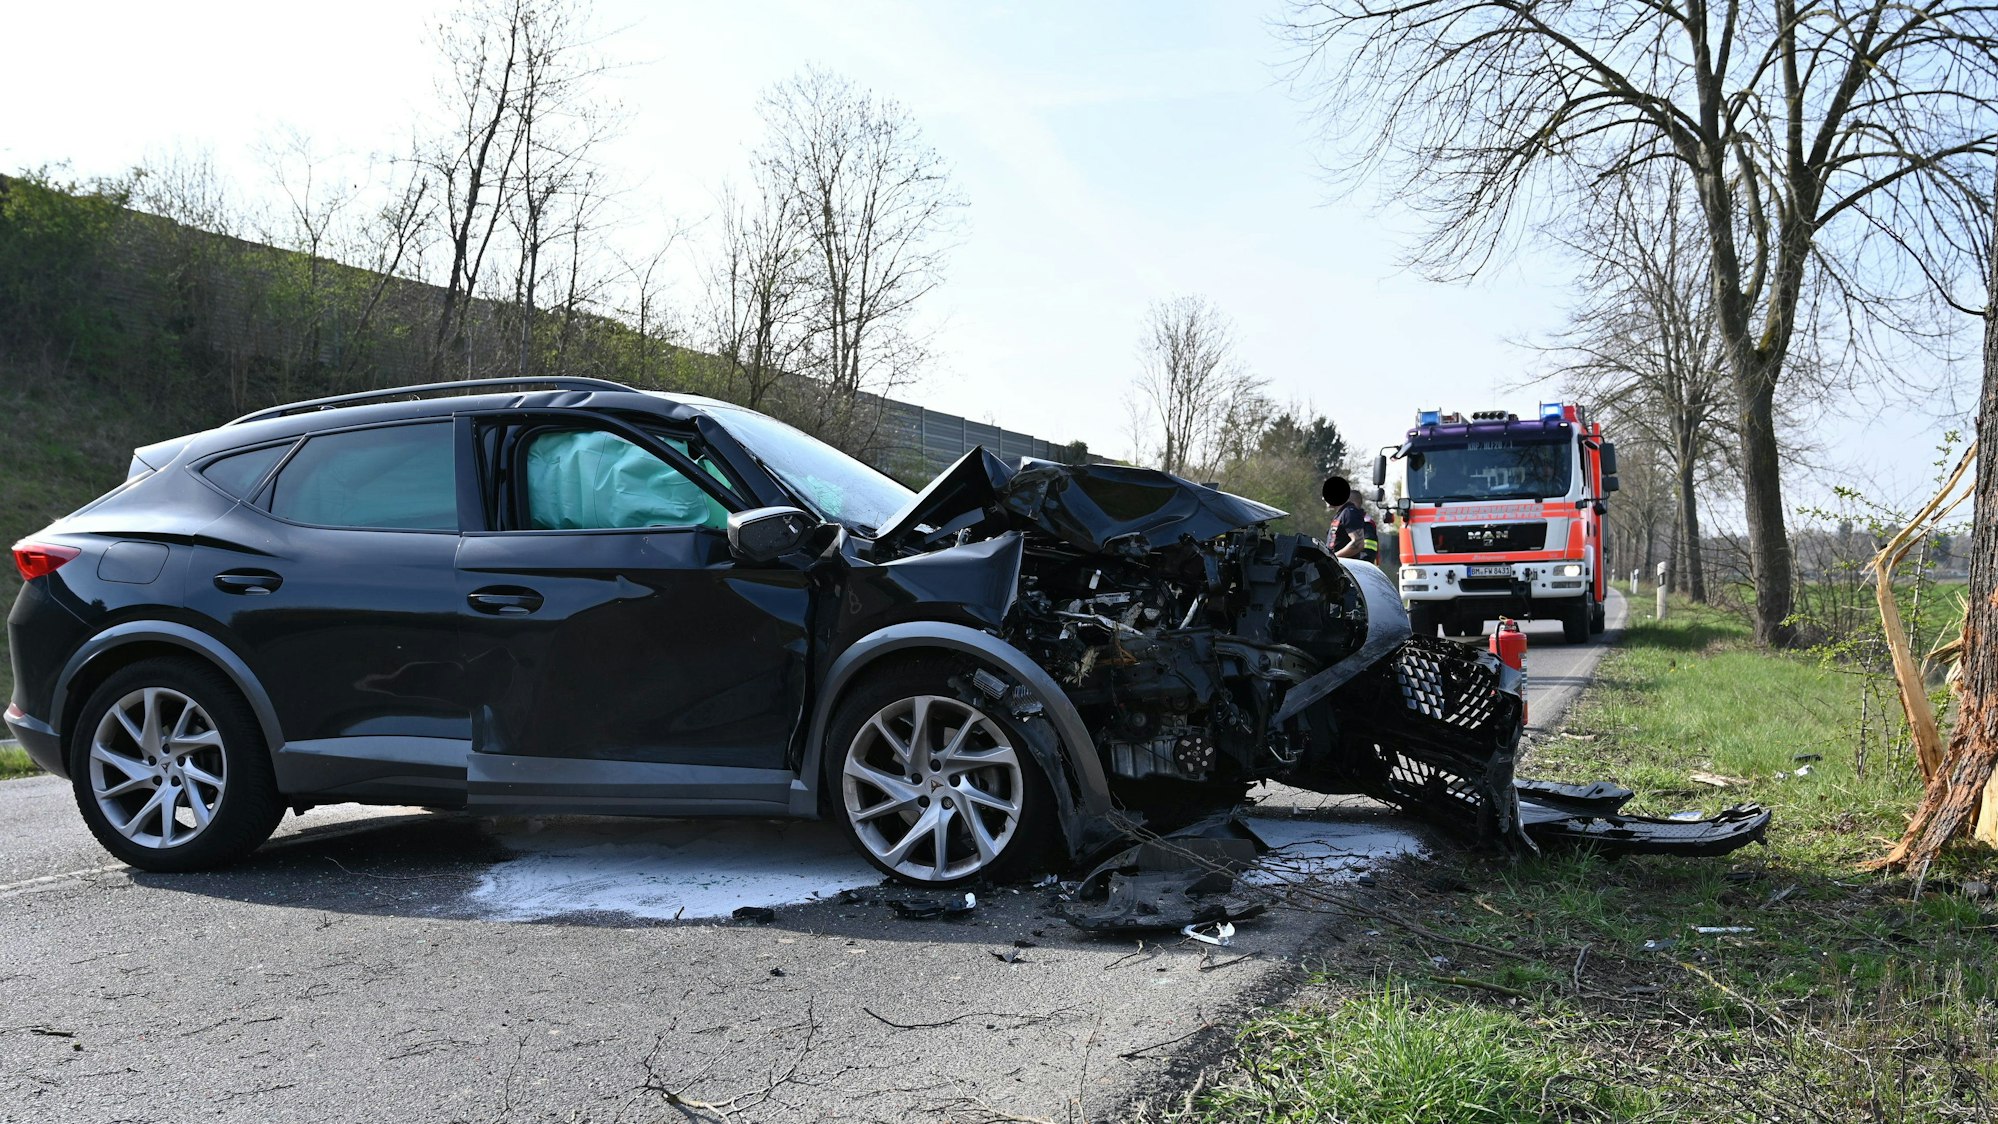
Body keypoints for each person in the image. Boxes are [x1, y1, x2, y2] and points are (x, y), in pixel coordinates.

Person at [1323, 476, 1378, 561]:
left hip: (1344, 567)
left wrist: (1333, 559)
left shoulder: (1349, 512)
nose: (1323, 498)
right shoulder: (1341, 514)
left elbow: (1358, 543)